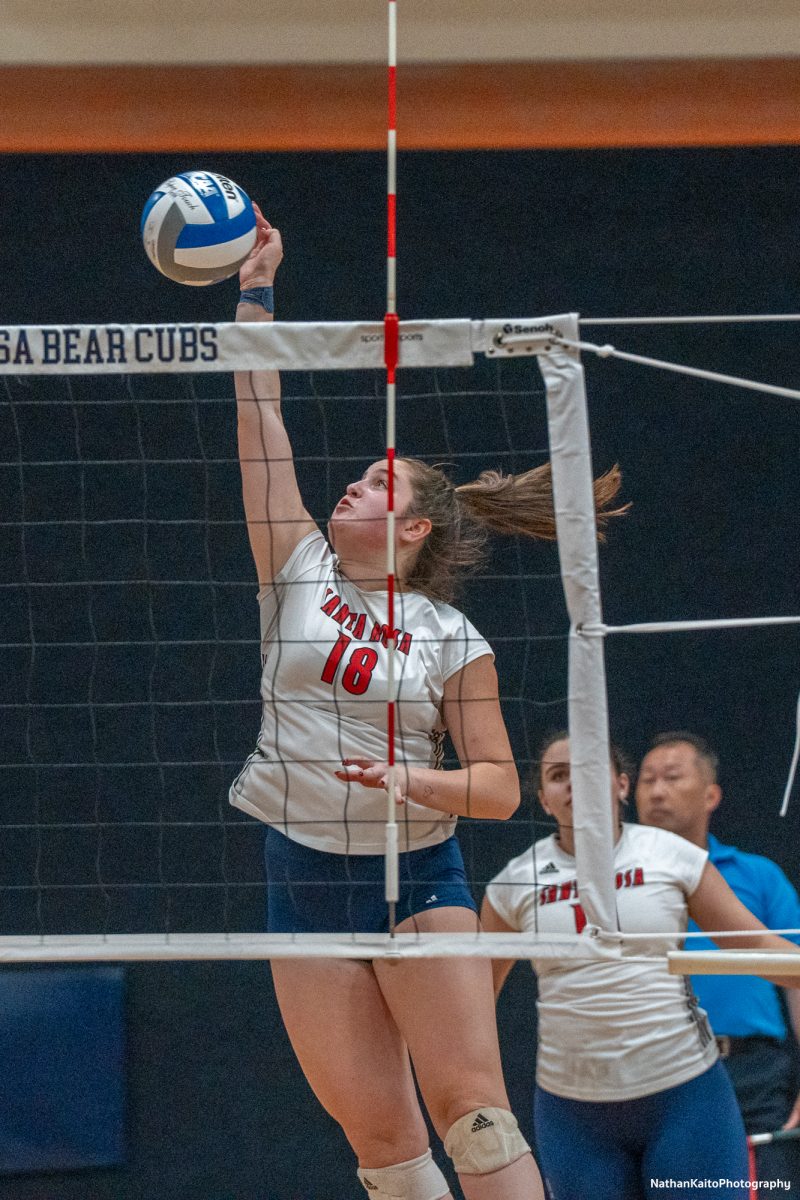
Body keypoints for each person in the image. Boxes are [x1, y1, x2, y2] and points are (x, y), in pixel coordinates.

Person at [227, 206, 626, 1200]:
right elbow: (259, 416)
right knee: (382, 1146)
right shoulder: (297, 567)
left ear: (406, 531)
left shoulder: (452, 641)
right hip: (301, 882)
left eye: (373, 482)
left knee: (477, 1124)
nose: (351, 487)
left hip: (417, 882)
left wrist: (409, 777)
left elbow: (496, 792)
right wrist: (254, 289)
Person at [481, 731, 800, 1200]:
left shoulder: (671, 856)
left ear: (620, 785)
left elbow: (758, 945)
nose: (573, 783)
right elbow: (470, 1002)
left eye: (589, 770)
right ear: (544, 800)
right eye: (557, 776)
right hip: (573, 1112)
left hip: (684, 1095)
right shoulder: (514, 882)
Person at [636, 731, 800, 1187]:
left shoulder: (759, 877)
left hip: (753, 1075)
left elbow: (795, 979)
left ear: (711, 794)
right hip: (653, 1067)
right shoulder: (616, 883)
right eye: (646, 779)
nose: (655, 790)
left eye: (671, 777)